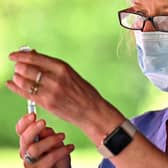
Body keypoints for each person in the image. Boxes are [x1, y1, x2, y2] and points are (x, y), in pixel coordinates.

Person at [7, 0, 168, 167]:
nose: (147, 31)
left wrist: (92, 113)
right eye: (141, 13)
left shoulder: (122, 139)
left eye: (166, 15)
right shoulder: (142, 133)